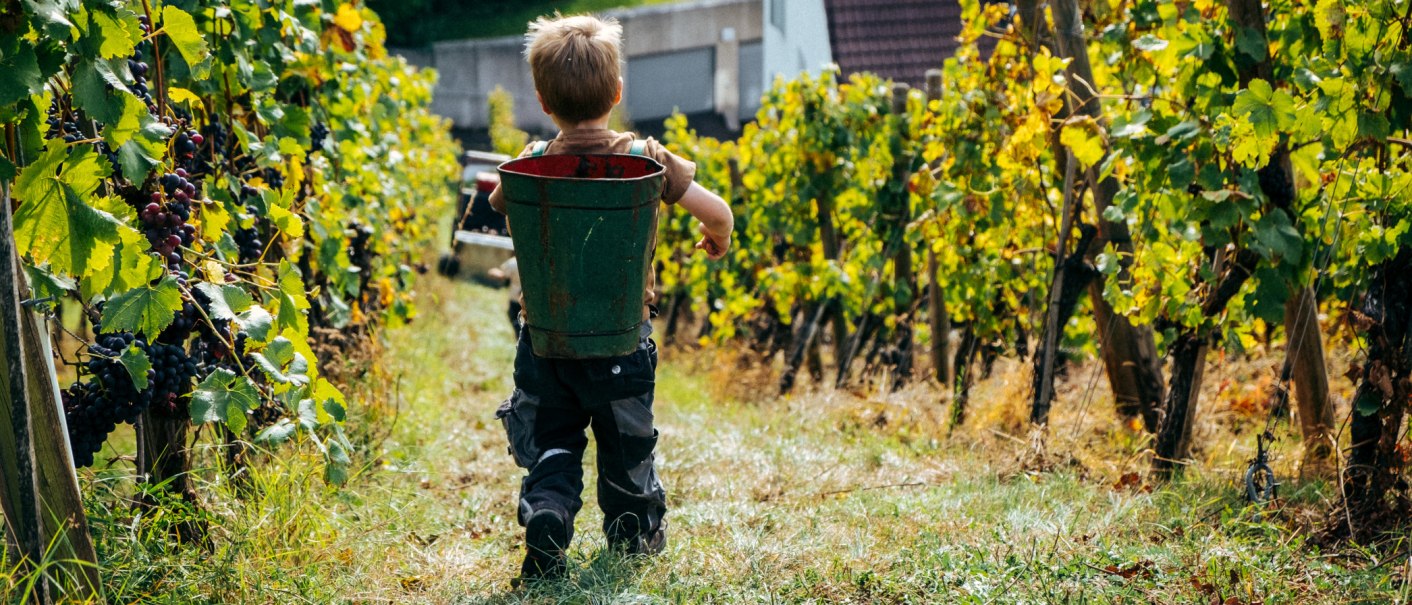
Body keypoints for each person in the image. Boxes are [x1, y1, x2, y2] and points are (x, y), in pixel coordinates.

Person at [486, 13, 734, 583]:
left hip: (546, 344)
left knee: (553, 440)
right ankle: (632, 535)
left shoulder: (532, 161)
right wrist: (715, 237)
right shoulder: (645, 159)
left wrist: (533, 165)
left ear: (544, 102)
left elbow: (501, 200)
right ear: (618, 92)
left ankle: (548, 508)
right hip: (622, 344)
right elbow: (718, 213)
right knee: (627, 450)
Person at [487, 256, 522, 333]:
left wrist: (493, 271)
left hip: (515, 298)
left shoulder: (513, 263)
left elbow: (502, 275)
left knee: (516, 320)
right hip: (527, 300)